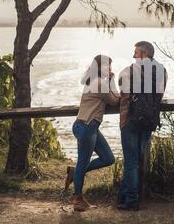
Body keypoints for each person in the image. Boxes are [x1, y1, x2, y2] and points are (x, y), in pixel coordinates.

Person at [117, 41, 167, 211]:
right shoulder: (162, 71)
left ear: (144, 53)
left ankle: (131, 200)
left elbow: (122, 90)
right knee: (137, 158)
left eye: (136, 52)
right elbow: (160, 95)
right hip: (149, 120)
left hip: (130, 120)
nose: (133, 56)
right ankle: (122, 196)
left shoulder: (128, 71)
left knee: (130, 161)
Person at [66, 54, 120, 211]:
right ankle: (77, 199)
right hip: (87, 126)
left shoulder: (94, 81)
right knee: (82, 163)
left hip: (88, 126)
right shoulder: (99, 83)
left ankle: (75, 172)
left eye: (110, 65)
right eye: (106, 66)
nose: (109, 68)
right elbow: (115, 100)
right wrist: (112, 80)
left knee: (108, 158)